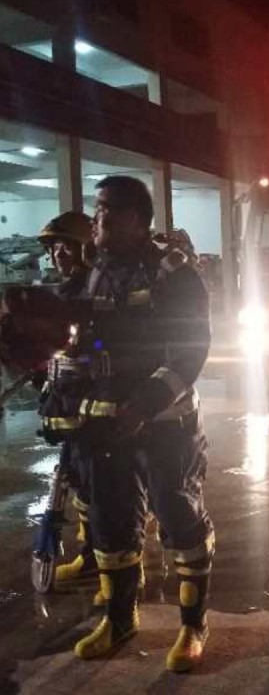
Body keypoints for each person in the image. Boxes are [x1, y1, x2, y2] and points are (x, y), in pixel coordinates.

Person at [68, 176, 214, 672]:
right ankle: (119, 619)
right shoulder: (94, 269)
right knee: (110, 522)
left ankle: (193, 625)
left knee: (178, 514)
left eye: (105, 210)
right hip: (108, 423)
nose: (97, 218)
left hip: (165, 421)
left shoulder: (173, 273)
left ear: (134, 218)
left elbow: (191, 349)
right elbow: (82, 334)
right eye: (97, 209)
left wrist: (144, 404)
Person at [35, 212, 98, 585]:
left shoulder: (97, 291)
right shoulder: (61, 293)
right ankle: (91, 554)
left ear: (85, 249)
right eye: (53, 249)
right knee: (80, 482)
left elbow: (102, 344)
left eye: (65, 247)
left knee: (100, 484)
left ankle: (116, 563)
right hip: (68, 401)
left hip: (97, 404)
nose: (57, 255)